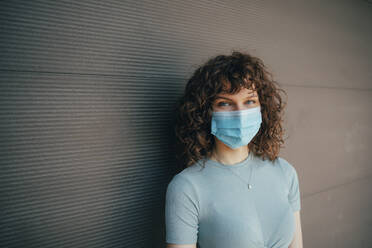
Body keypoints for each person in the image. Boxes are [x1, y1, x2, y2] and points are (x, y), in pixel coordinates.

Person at [165, 51, 303, 248]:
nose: (240, 113)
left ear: (262, 107)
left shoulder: (285, 172)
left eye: (249, 101)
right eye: (225, 103)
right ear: (205, 112)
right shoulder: (187, 187)